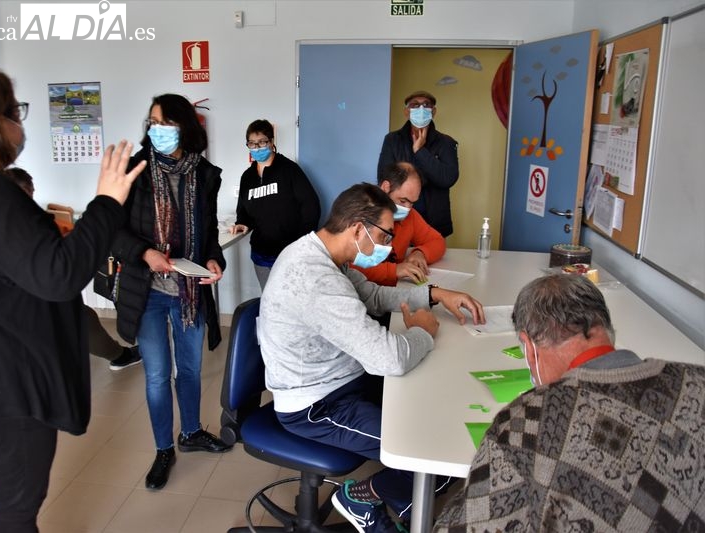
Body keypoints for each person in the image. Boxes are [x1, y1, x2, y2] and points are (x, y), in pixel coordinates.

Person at [0, 66, 145, 533]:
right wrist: (107, 202)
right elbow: (57, 275)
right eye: (16, 112)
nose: (21, 124)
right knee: (16, 507)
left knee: (13, 499)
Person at [258, 183, 485, 532]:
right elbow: (388, 359)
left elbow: (373, 296)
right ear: (356, 228)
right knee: (429, 453)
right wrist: (424, 331)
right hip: (316, 405)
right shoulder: (313, 276)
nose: (390, 246)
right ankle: (362, 497)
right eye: (385, 235)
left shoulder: (327, 254)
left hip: (344, 378)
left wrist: (436, 295)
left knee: (438, 417)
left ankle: (405, 501)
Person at [433, 274, 705, 532]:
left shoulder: (526, 422)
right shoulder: (697, 381)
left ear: (528, 347)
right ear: (605, 328)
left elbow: (466, 525)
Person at [110, 93, 232, 492]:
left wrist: (215, 261)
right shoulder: (135, 170)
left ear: (184, 126)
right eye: (152, 122)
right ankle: (164, 448)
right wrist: (145, 253)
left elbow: (210, 233)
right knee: (158, 375)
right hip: (147, 291)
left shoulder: (206, 175)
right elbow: (113, 231)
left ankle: (192, 432)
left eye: (163, 122)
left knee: (192, 369)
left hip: (189, 289)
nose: (155, 130)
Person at [4, 167, 142, 371]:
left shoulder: (1, 220)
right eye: (28, 192)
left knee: (82, 319)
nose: (31, 197)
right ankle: (119, 356)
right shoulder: (23, 223)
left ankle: (118, 355)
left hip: (26, 299)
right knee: (81, 321)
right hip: (36, 297)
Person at [229, 119, 320, 289]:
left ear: (271, 142)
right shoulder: (247, 177)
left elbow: (311, 207)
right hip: (261, 254)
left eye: (262, 142)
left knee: (294, 299)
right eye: (252, 143)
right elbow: (243, 210)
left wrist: (300, 244)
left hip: (291, 252)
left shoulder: (289, 170)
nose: (257, 147)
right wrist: (242, 223)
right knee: (270, 299)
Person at [377, 90, 459, 237]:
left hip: (434, 222)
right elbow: (384, 178)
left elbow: (448, 178)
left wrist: (420, 151)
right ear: (407, 112)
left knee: (432, 255)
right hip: (398, 217)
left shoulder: (446, 143)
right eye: (415, 105)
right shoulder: (392, 140)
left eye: (426, 105)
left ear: (433, 112)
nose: (421, 109)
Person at [351, 161, 446, 287]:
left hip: (394, 290)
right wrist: (394, 270)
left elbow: (437, 241)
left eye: (412, 203)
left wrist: (420, 253)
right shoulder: (360, 212)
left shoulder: (410, 216)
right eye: (403, 201)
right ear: (386, 187)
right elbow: (351, 265)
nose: (407, 209)